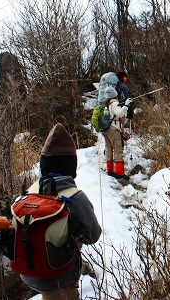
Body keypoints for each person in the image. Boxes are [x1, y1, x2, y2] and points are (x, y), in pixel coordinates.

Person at [17, 123, 102, 300]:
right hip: (59, 277)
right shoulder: (75, 197)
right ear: (70, 167)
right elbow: (93, 236)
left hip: (27, 272)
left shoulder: (29, 192)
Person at [103, 86, 132, 180]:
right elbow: (119, 114)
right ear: (115, 95)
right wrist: (126, 106)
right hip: (113, 129)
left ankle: (110, 170)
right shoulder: (115, 104)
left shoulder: (106, 104)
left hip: (106, 130)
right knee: (118, 149)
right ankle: (119, 172)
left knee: (109, 149)